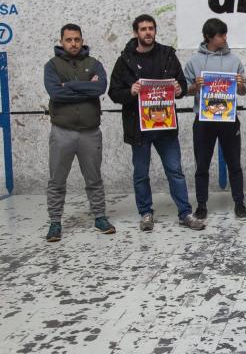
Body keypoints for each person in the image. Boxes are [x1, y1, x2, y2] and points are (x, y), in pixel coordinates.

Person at [108, 14, 204, 231]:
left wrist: (180, 89)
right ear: (135, 33)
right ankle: (146, 213)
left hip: (165, 126)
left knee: (175, 170)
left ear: (155, 31)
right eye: (143, 29)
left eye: (151, 28)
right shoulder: (125, 59)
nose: (148, 32)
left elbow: (180, 82)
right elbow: (114, 92)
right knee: (141, 173)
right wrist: (130, 91)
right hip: (139, 128)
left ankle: (185, 213)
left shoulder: (168, 55)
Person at [43, 23, 115, 242]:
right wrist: (85, 87)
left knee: (94, 179)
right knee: (57, 180)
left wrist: (70, 86)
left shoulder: (94, 63)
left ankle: (100, 217)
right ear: (61, 41)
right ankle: (55, 222)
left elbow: (100, 88)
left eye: (77, 39)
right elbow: (55, 93)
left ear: (82, 40)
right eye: (68, 40)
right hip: (62, 132)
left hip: (90, 133)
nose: (73, 44)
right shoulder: (52, 65)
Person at [184, 18, 246, 220]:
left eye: (225, 34)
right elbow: (183, 90)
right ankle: (201, 204)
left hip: (229, 119)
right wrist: (195, 86)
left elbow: (244, 91)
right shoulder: (194, 61)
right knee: (201, 165)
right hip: (203, 120)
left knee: (234, 164)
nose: (224, 38)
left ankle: (239, 203)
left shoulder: (234, 60)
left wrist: (240, 85)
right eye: (221, 35)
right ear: (208, 37)